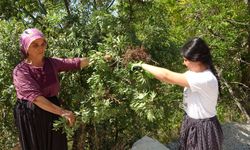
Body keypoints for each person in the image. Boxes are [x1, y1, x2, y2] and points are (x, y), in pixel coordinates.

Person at [132, 37, 223, 150]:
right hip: (191, 122)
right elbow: (169, 77)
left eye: (186, 60)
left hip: (203, 129)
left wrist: (143, 65)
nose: (184, 63)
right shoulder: (193, 73)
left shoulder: (206, 79)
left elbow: (167, 76)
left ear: (197, 60)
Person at [13, 28, 89, 150]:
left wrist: (97, 58)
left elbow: (74, 63)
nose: (41, 48)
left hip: (52, 109)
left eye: (43, 44)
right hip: (31, 114)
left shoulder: (51, 62)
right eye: (35, 45)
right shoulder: (20, 71)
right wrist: (63, 112)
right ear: (26, 48)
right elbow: (36, 98)